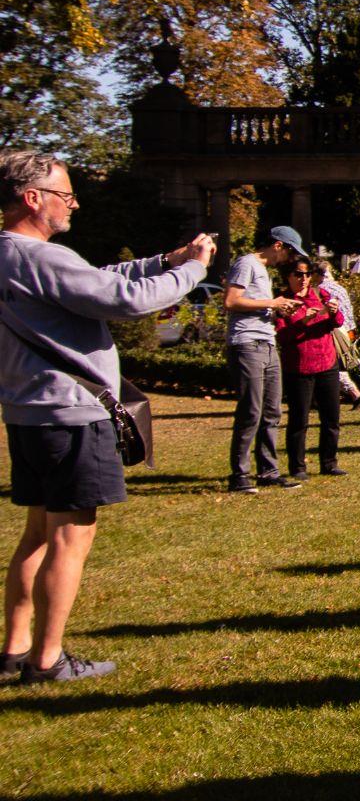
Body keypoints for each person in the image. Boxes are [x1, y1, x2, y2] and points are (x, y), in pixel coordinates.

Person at [0, 151, 215, 683]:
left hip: (27, 413)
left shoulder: (12, 255)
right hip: (71, 415)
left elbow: (94, 278)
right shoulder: (39, 256)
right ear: (33, 198)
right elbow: (125, 300)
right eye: (65, 194)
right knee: (72, 538)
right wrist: (192, 269)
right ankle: (47, 661)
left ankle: (14, 648)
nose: (73, 203)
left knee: (37, 536)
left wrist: (165, 259)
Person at [223, 225, 307, 492]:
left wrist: (279, 310)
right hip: (247, 343)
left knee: (272, 411)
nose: (291, 259)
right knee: (251, 410)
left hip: (267, 343)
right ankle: (239, 475)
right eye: (290, 252)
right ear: (279, 245)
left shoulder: (262, 272)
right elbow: (231, 301)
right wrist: (273, 303)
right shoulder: (246, 264)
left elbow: (256, 305)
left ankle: (269, 472)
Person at [273, 257, 347, 479]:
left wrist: (332, 311)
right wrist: (301, 322)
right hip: (299, 367)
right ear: (288, 276)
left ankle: (329, 462)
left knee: (331, 418)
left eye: (307, 274)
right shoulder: (283, 302)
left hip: (326, 362)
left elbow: (339, 321)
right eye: (298, 274)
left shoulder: (320, 295)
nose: (303, 279)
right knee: (299, 420)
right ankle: (297, 467)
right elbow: (282, 336)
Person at [314, 260, 360, 410]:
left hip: (333, 332)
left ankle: (355, 394)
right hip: (346, 331)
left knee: (331, 365)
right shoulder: (340, 288)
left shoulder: (320, 290)